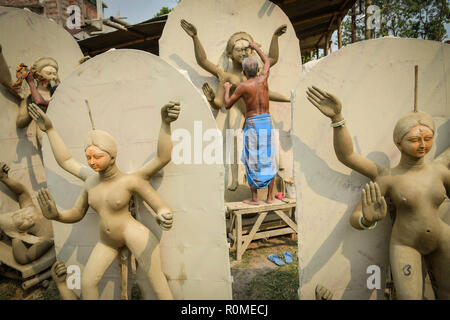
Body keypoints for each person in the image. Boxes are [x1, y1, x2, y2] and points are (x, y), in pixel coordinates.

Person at [306, 85, 450, 299]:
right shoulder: (388, 177)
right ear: (399, 143)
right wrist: (337, 119)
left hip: (443, 240)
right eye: (414, 139)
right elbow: (348, 157)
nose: (422, 145)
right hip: (405, 245)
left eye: (427, 139)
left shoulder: (440, 170)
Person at [27, 100, 181, 300]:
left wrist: (163, 214)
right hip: (106, 241)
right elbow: (67, 166)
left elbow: (162, 160)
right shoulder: (90, 182)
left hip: (135, 235)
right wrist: (50, 130)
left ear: (112, 156)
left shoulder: (130, 180)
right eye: (88, 157)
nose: (91, 162)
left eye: (97, 157)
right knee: (88, 282)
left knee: (157, 283)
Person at [180, 20, 289, 191]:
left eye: (246, 48)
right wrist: (195, 37)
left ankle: (276, 173)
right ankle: (235, 178)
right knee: (232, 139)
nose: (243, 52)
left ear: (252, 50)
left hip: (258, 115)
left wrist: (275, 37)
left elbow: (272, 59)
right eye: (238, 49)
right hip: (237, 111)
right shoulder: (226, 75)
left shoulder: (258, 72)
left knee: (268, 142)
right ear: (230, 54)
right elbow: (203, 62)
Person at [223, 42, 277, 205]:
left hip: (253, 123)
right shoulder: (263, 78)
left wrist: (226, 88)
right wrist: (255, 47)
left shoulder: (243, 86)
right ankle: (269, 197)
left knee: (252, 158)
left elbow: (227, 104)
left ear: (244, 72)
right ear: (258, 70)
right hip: (266, 121)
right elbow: (267, 62)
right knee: (269, 156)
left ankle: (255, 198)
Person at [0, 162, 54, 265]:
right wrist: (16, 239)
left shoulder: (28, 208)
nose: (25, 215)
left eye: (17, 214)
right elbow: (24, 257)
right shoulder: (46, 237)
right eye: (20, 223)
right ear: (22, 233)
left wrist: (4, 178)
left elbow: (21, 192)